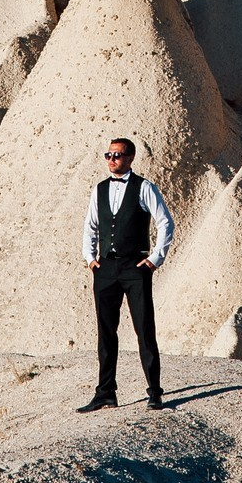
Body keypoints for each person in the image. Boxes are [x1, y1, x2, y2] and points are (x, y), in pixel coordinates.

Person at [75, 137, 175, 412]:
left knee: (144, 329)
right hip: (105, 269)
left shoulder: (145, 187)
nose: (111, 159)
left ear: (130, 158)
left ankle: (155, 393)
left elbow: (165, 222)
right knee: (106, 332)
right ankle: (105, 393)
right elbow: (90, 226)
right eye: (108, 155)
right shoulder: (99, 189)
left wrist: (154, 259)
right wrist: (90, 259)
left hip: (135, 267)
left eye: (117, 155)